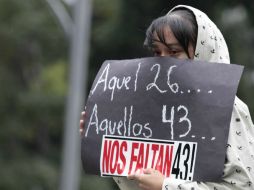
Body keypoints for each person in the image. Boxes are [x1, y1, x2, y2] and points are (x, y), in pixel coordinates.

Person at [80, 5, 254, 190]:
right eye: (157, 52)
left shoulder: (228, 108)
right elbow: (136, 182)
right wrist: (101, 139)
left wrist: (166, 186)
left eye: (173, 52)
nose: (163, 60)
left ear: (202, 51)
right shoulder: (151, 107)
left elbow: (245, 185)